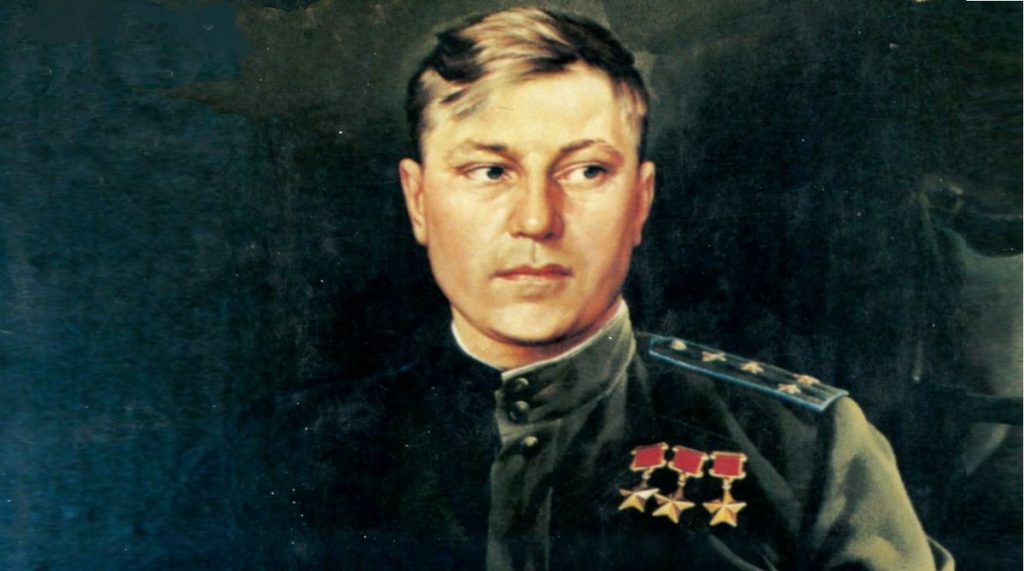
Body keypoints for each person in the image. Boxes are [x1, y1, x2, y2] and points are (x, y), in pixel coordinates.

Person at [256, 7, 954, 570]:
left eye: (586, 171)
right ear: (418, 201)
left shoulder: (804, 448)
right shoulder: (284, 453)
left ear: (640, 202)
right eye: (490, 172)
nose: (537, 219)